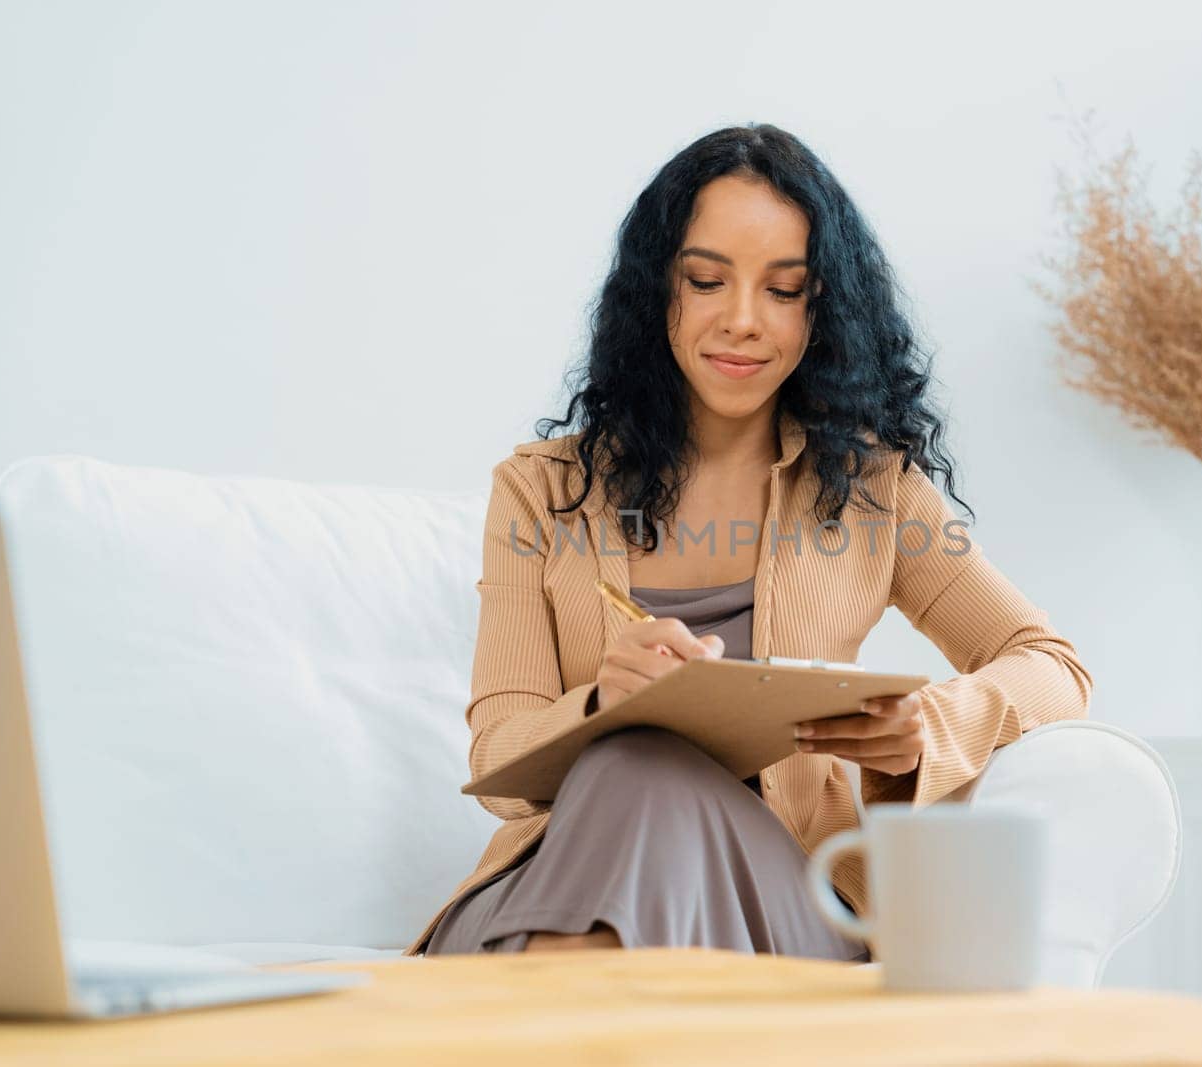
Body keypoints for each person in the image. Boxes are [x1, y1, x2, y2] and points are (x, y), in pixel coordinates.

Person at [402, 123, 1093, 960]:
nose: (740, 322)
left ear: (821, 310)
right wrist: (601, 708)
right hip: (564, 868)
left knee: (641, 767)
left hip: (776, 896)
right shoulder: (542, 491)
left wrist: (925, 725)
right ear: (660, 292)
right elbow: (498, 761)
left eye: (783, 289)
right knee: (632, 762)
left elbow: (1053, 666)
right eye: (706, 280)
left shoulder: (873, 492)